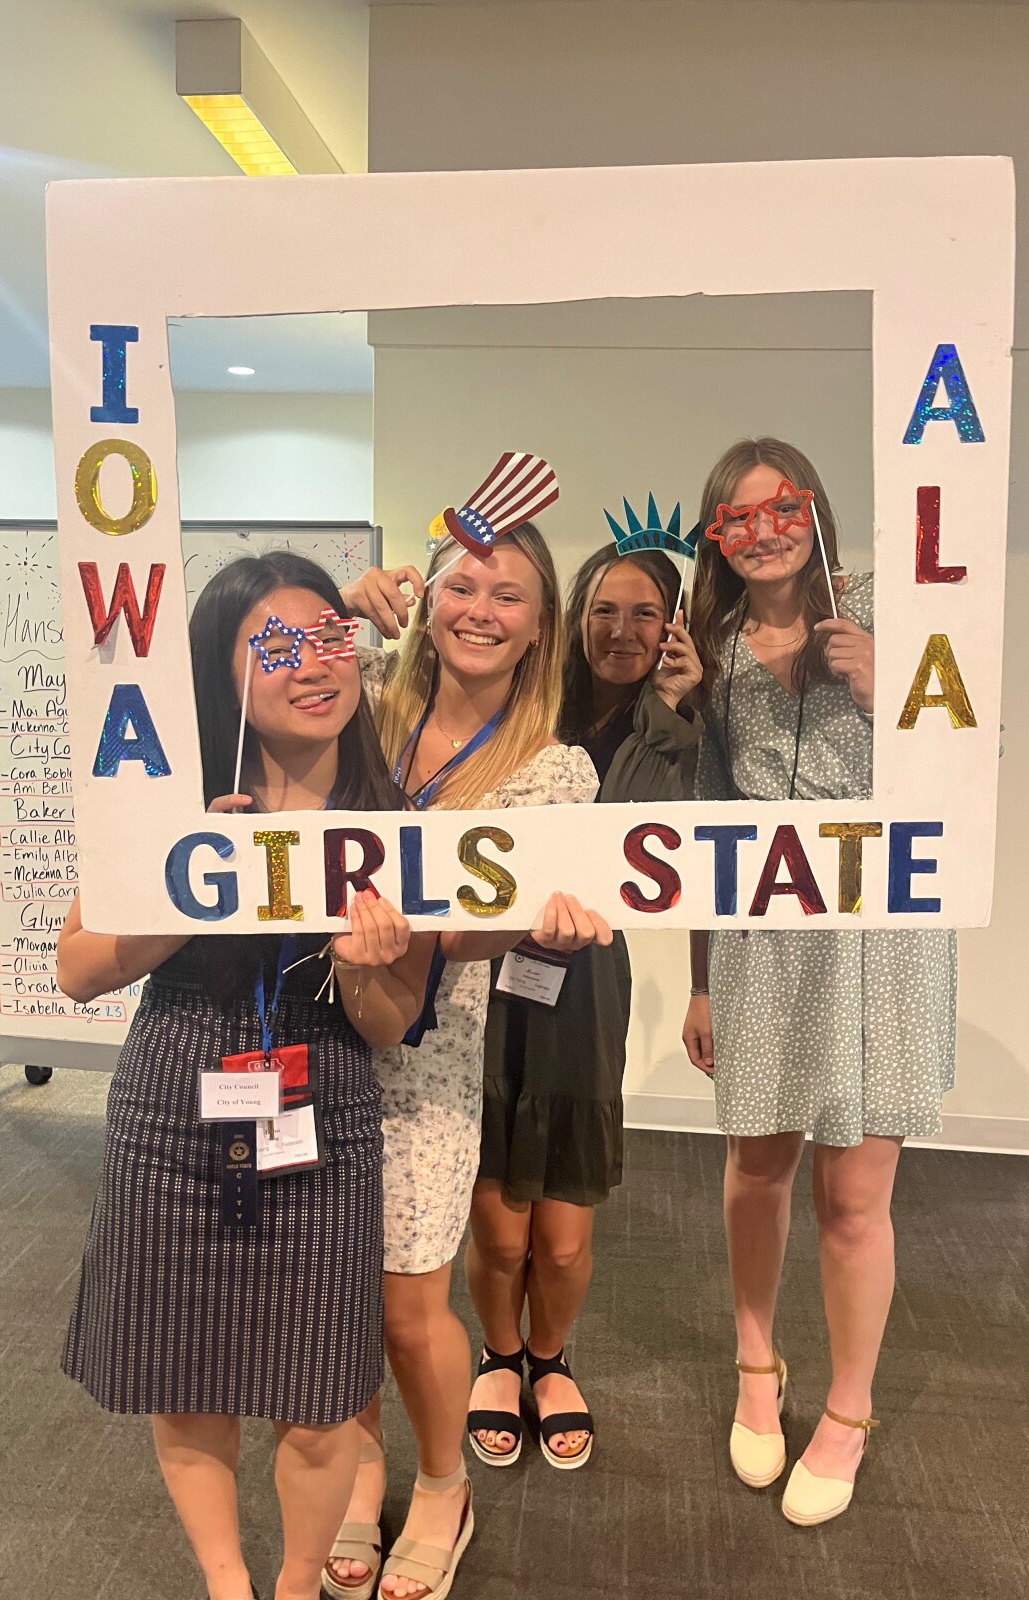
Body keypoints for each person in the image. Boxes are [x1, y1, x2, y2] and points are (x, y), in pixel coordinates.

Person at [59, 552, 437, 1600]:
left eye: (328, 637)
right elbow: (77, 968)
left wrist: (363, 967)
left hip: (326, 1109)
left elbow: (389, 1025)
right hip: (172, 1108)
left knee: (320, 1393)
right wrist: (186, 892)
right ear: (220, 672)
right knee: (185, 1376)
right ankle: (229, 1584)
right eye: (275, 646)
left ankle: (297, 1581)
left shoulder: (390, 821)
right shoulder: (161, 802)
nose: (312, 665)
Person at [326, 526, 611, 1600]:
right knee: (335, 1292)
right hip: (307, 1027)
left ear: (542, 626)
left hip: (428, 1050)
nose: (480, 610)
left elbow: (476, 930)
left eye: (510, 595)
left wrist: (534, 925)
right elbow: (236, 683)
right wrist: (335, 614)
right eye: (463, 585)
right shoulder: (358, 696)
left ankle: (443, 1485)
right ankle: (361, 1472)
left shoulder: (553, 768)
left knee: (409, 1304)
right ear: (425, 596)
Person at [680, 438, 956, 1527]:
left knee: (854, 1194)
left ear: (815, 509)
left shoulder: (895, 611)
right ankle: (757, 1363)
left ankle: (848, 1408)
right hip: (761, 933)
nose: (762, 533)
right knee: (758, 1165)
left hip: (881, 937)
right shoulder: (713, 648)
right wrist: (699, 980)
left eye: (780, 508)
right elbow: (701, 823)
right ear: (717, 538)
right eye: (736, 520)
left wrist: (895, 688)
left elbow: (975, 758)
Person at [466, 543, 703, 1472]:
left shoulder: (676, 728)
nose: (622, 631)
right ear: (575, 616)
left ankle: (551, 1359)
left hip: (588, 979)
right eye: (605, 609)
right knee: (498, 1226)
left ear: (674, 626)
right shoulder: (528, 699)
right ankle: (499, 1357)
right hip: (483, 967)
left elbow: (628, 844)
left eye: (646, 613)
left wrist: (670, 711)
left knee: (561, 1244)